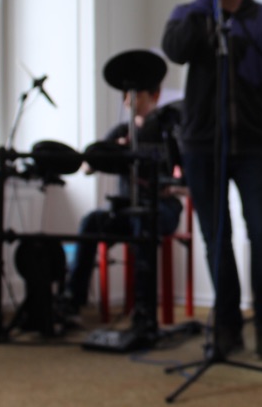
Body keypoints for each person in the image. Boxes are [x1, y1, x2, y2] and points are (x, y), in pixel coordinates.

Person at [161, 0, 262, 360]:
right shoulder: (189, 14)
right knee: (216, 238)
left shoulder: (261, 15)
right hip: (203, 146)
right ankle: (227, 328)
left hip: (254, 145)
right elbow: (176, 51)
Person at [63, 86, 184, 331]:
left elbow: (188, 181)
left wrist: (172, 188)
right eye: (127, 94)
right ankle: (72, 302)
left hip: (162, 209)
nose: (130, 99)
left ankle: (143, 310)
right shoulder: (120, 131)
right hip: (126, 210)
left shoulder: (167, 132)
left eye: (137, 93)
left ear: (154, 96)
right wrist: (114, 150)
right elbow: (87, 167)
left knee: (143, 223)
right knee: (90, 222)